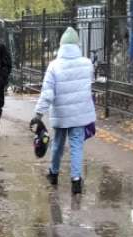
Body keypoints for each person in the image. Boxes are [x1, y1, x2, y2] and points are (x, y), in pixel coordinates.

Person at [31, 27, 95, 195]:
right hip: (80, 115)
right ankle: (75, 181)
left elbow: (47, 93)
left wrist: (38, 115)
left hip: (61, 114)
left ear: (61, 46)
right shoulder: (87, 64)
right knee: (76, 146)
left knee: (58, 144)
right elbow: (89, 84)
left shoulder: (54, 66)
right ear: (77, 45)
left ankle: (53, 173)